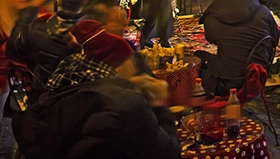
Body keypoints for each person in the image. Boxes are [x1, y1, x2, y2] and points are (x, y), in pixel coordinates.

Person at [13, 20, 179, 159]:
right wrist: (159, 105)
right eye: (129, 59)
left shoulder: (49, 97)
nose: (135, 66)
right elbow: (169, 153)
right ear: (113, 64)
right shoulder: (128, 106)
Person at [196, 0, 280, 96]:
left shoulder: (212, 17)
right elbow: (274, 38)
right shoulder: (262, 9)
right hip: (259, 74)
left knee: (197, 56)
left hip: (227, 82)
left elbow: (211, 39)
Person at [7, 0, 89, 99]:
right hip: (83, 96)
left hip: (45, 96)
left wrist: (31, 9)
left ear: (59, 1)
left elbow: (14, 46)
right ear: (86, 0)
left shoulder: (38, 28)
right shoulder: (94, 29)